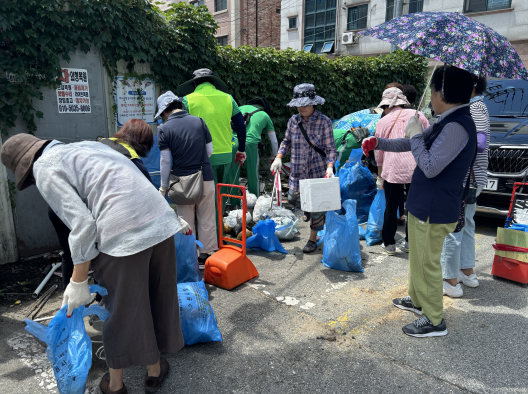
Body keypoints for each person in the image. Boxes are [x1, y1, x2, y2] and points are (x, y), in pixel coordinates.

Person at [1, 133, 191, 394]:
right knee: (157, 296)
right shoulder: (88, 146)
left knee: (121, 310)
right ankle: (154, 371)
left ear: (27, 167)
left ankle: (115, 385)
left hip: (121, 231)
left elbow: (83, 225)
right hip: (161, 221)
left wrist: (78, 280)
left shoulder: (43, 167)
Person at [362, 65, 477, 337]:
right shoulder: (446, 121)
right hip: (423, 204)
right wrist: (378, 142)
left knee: (427, 263)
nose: (430, 98)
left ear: (442, 92)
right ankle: (417, 301)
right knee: (418, 259)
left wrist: (414, 135)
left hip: (434, 208)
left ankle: (434, 319)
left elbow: (429, 166)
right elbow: (408, 144)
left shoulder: (458, 126)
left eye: (433, 91)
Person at [48, 119, 155, 290]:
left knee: (71, 255)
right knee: (105, 253)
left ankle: (70, 309)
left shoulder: (101, 144)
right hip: (84, 209)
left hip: (59, 205)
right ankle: (102, 300)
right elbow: (151, 198)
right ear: (144, 143)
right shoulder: (131, 159)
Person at [271, 83, 337, 253]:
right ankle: (308, 210)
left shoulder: (324, 122)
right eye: (299, 104)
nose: (301, 108)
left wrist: (330, 167)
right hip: (297, 173)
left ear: (313, 103)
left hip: (317, 172)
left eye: (305, 104)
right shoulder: (293, 121)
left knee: (317, 208)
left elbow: (330, 149)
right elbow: (286, 141)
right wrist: (279, 157)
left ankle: (312, 239)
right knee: (293, 198)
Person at [440, 75, 490, 298]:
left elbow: (478, 143)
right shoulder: (480, 107)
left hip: (465, 178)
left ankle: (450, 281)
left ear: (471, 87)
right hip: (473, 178)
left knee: (452, 227)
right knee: (466, 224)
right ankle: (467, 273)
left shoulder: (475, 108)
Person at [156, 91, 218, 268]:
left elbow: (166, 161)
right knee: (206, 216)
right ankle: (204, 256)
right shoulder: (199, 121)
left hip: (181, 182)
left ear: (164, 112)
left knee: (185, 220)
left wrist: (164, 186)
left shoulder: (164, 129)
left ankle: (189, 258)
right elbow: (209, 151)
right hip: (204, 176)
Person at [177, 68, 247, 215]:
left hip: (201, 157)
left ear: (195, 83)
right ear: (213, 82)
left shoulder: (187, 100)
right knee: (220, 196)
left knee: (205, 199)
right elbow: (240, 125)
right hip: (226, 155)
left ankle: (210, 235)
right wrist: (241, 149)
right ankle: (219, 233)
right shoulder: (228, 98)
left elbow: (182, 128)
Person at [374, 87, 429, 255]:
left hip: (393, 168)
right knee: (414, 207)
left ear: (386, 105)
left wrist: (380, 173)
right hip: (417, 167)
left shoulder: (382, 121)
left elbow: (378, 150)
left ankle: (389, 244)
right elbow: (428, 140)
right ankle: (410, 243)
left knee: (391, 206)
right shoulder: (418, 115)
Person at [238, 97, 277, 196]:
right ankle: (255, 200)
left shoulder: (240, 108)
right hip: (250, 144)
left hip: (233, 142)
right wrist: (275, 156)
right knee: (253, 174)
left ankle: (234, 202)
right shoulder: (264, 115)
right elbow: (274, 141)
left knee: (232, 173)